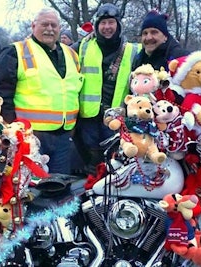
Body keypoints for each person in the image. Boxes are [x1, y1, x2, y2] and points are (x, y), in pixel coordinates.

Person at [0, 7, 83, 175]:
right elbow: (0, 94)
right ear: (33, 26)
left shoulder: (72, 54)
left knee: (59, 188)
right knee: (29, 189)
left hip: (63, 137)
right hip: (30, 137)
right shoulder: (15, 52)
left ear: (59, 29)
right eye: (44, 24)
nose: (49, 29)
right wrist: (11, 131)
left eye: (54, 25)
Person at [73, 3, 141, 175]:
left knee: (113, 161)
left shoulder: (133, 50)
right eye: (103, 23)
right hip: (88, 116)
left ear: (118, 24)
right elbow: (61, 55)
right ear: (96, 25)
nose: (107, 27)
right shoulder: (83, 46)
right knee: (90, 160)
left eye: (111, 22)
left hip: (116, 117)